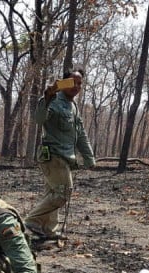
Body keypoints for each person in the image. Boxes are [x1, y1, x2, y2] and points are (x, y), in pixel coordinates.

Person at [24, 69, 95, 240]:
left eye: (79, 83)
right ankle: (32, 220)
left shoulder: (73, 106)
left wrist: (89, 156)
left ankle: (49, 230)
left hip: (65, 157)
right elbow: (39, 119)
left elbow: (81, 133)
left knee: (53, 193)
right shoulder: (53, 100)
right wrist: (47, 97)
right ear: (63, 83)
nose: (76, 86)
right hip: (53, 156)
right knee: (63, 193)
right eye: (72, 82)